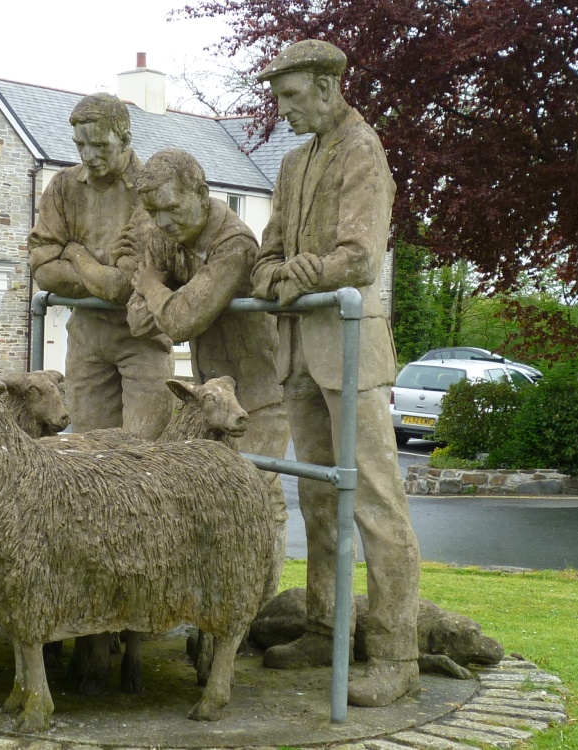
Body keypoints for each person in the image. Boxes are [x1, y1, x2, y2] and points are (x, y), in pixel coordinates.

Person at [251, 39, 421, 707]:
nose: (284, 111)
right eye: (279, 99)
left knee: (377, 506)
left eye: (292, 97)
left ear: (327, 86)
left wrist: (300, 276)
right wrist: (273, 274)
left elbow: (358, 256)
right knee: (318, 501)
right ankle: (325, 626)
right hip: (297, 353)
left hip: (350, 353)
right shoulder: (294, 162)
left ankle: (396, 653)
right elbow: (267, 251)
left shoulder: (362, 150)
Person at [125, 148, 290, 587]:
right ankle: (220, 600)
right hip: (209, 397)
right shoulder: (165, 239)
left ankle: (259, 602)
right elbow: (138, 319)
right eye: (154, 212)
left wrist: (152, 286)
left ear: (200, 193)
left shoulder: (233, 244)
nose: (161, 222)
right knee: (211, 503)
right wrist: (161, 293)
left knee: (258, 498)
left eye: (171, 208)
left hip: (258, 396)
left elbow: (180, 321)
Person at [28, 92, 174, 441]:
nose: (87, 156)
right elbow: (43, 268)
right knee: (92, 459)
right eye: (80, 145)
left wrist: (74, 254)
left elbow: (122, 286)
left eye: (98, 145)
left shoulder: (150, 188)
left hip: (143, 339)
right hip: (86, 340)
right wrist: (95, 263)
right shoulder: (63, 187)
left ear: (124, 138)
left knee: (143, 455)